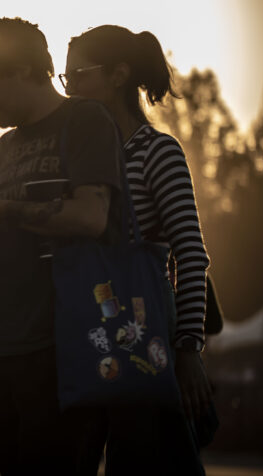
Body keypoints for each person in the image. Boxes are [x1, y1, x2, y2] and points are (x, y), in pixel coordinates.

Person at [0, 17, 124, 475]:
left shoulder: (85, 119)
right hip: (0, 352)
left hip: (63, 348)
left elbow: (91, 217)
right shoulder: (3, 149)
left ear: (21, 70)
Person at [62, 24, 211, 475]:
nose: (68, 91)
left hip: (143, 339)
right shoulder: (76, 159)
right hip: (84, 336)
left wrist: (187, 349)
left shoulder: (158, 152)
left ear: (118, 75)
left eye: (78, 76)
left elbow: (190, 252)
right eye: (64, 80)